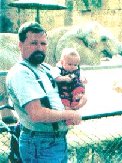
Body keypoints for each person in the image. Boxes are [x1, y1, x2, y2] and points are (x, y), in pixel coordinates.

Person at [6, 21, 87, 163]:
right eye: (34, 43)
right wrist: (70, 114)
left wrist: (81, 97)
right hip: (39, 143)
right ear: (20, 45)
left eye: (43, 44)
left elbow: (65, 89)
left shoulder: (46, 69)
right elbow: (36, 114)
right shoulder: (21, 73)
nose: (40, 48)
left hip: (56, 141)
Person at [53, 48, 86, 125]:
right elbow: (55, 78)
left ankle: (76, 108)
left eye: (75, 65)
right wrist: (64, 78)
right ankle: (69, 119)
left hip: (76, 93)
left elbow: (84, 78)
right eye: (69, 64)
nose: (72, 67)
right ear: (62, 62)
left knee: (84, 98)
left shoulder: (78, 70)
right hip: (64, 92)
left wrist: (83, 79)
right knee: (66, 106)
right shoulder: (58, 69)